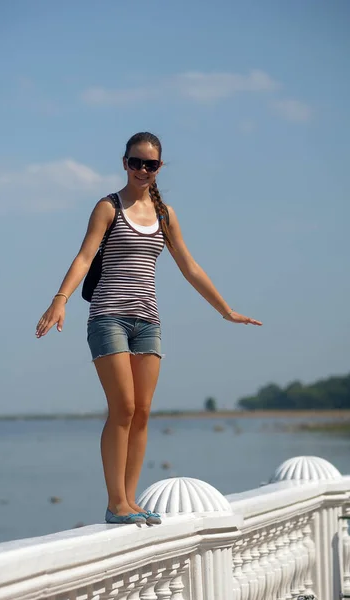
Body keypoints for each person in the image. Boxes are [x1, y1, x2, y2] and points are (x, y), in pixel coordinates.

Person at [35, 131, 262, 526]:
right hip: (109, 317)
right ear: (124, 163)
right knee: (121, 407)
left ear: (159, 168)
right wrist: (60, 299)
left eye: (151, 164)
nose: (142, 170)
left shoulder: (165, 215)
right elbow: (85, 256)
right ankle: (115, 502)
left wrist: (225, 310)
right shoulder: (108, 207)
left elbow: (190, 267)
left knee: (141, 413)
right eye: (136, 162)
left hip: (148, 321)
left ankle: (131, 500)